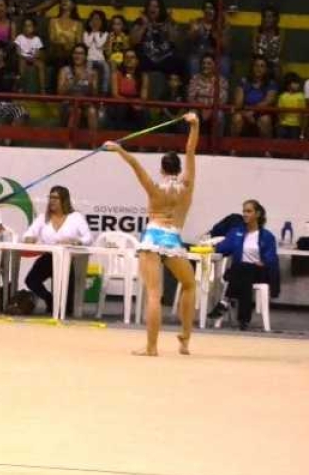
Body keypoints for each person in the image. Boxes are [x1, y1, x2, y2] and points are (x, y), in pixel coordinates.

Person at [105, 113, 200, 355]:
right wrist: (195, 125)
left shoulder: (155, 188)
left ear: (161, 168)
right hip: (173, 238)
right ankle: (185, 339)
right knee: (189, 285)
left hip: (153, 236)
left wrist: (118, 149)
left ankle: (152, 347)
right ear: (179, 169)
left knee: (154, 295)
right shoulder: (187, 185)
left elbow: (135, 165)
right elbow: (190, 151)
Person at [208, 200, 280, 330]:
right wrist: (209, 247)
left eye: (248, 211)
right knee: (243, 269)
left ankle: (225, 301)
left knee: (242, 268)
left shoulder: (267, 236)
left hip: (260, 271)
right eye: (244, 211)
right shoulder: (236, 233)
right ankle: (243, 320)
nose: (245, 214)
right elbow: (222, 249)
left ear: (257, 214)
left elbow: (272, 259)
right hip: (241, 272)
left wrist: (263, 262)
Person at [20, 186, 92, 315]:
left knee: (67, 309)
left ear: (64, 200)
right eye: (50, 197)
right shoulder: (43, 217)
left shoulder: (75, 217)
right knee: (31, 281)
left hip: (68, 259)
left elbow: (88, 237)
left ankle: (63, 303)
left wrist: (75, 241)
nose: (52, 201)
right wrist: (29, 238)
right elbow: (28, 234)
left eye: (55, 198)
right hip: (50, 257)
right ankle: (49, 299)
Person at [231, 57, 277, 138]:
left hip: (261, 113)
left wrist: (252, 112)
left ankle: (266, 149)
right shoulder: (244, 82)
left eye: (262, 66)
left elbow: (268, 101)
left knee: (265, 120)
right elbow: (238, 103)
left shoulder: (271, 83)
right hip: (244, 112)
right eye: (256, 66)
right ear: (252, 67)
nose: (259, 69)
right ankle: (233, 148)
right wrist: (246, 114)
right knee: (237, 118)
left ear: (266, 69)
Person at [276, 73, 306, 140]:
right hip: (283, 125)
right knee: (281, 142)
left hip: (296, 126)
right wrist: (280, 122)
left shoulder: (301, 96)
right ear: (288, 84)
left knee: (294, 143)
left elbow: (303, 113)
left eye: (298, 83)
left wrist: (302, 128)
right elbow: (279, 112)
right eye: (295, 83)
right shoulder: (282, 96)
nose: (297, 85)